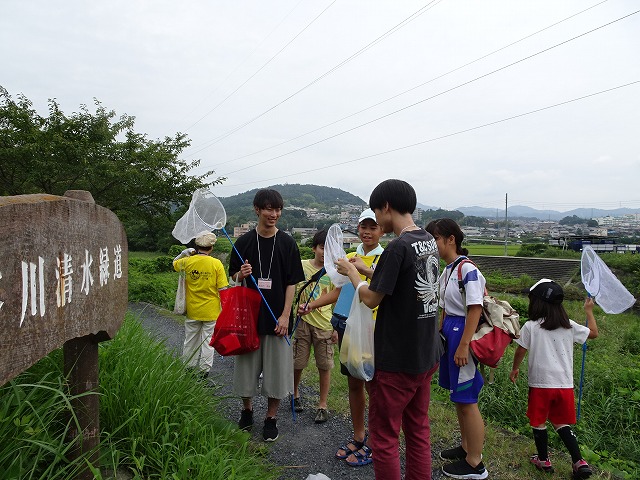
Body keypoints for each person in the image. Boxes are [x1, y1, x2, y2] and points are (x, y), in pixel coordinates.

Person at [335, 179, 441, 480]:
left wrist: (354, 273)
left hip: (397, 359)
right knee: (418, 429)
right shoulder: (427, 241)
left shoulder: (397, 246)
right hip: (426, 353)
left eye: (377, 213)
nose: (377, 220)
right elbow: (400, 279)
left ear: (386, 207)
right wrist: (369, 270)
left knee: (384, 437)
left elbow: (369, 299)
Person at [300, 208, 384, 467]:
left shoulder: (385, 259)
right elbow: (338, 292)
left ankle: (375, 443)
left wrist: (359, 270)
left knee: (373, 385)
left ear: (381, 230)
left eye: (373, 227)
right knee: (354, 383)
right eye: (363, 227)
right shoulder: (349, 256)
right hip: (344, 323)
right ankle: (359, 435)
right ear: (357, 229)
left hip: (370, 329)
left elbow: (383, 288)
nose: (367, 232)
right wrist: (313, 305)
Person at [229, 188, 305, 442]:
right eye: (269, 209)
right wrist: (242, 274)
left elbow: (292, 282)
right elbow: (232, 278)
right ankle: (247, 410)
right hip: (249, 319)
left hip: (277, 321)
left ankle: (271, 417)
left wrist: (285, 316)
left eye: (278, 209)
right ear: (257, 209)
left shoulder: (287, 243)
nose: (274, 214)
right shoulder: (243, 242)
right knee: (246, 371)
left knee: (276, 373)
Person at [510, 279, 598, 479]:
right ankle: (579, 461)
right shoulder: (569, 326)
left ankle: (543, 460)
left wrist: (515, 369)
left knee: (538, 422)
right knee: (561, 422)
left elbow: (521, 350)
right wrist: (589, 311)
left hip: (541, 383)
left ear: (537, 303)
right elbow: (593, 333)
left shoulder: (531, 326)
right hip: (564, 385)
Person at [425, 218, 488, 480]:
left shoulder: (467, 269)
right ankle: (466, 448)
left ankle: (475, 463)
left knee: (467, 399)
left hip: (463, 334)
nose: (433, 245)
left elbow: (475, 308)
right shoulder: (448, 269)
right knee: (458, 398)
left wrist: (463, 345)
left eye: (435, 239)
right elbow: (446, 307)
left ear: (451, 239)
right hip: (451, 332)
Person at [292, 229, 337, 424]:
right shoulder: (300, 266)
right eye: (321, 248)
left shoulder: (335, 272)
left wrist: (336, 327)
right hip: (302, 323)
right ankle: (294, 395)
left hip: (325, 325)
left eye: (329, 249)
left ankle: (323, 404)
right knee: (297, 363)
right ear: (313, 248)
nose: (324, 253)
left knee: (324, 366)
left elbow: (338, 298)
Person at [173, 231, 229, 379]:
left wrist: (184, 253)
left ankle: (188, 369)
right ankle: (204, 372)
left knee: (190, 340)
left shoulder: (187, 262)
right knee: (208, 342)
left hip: (192, 309)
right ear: (211, 248)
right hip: (211, 311)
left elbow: (174, 264)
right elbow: (223, 289)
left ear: (196, 246)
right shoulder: (217, 264)